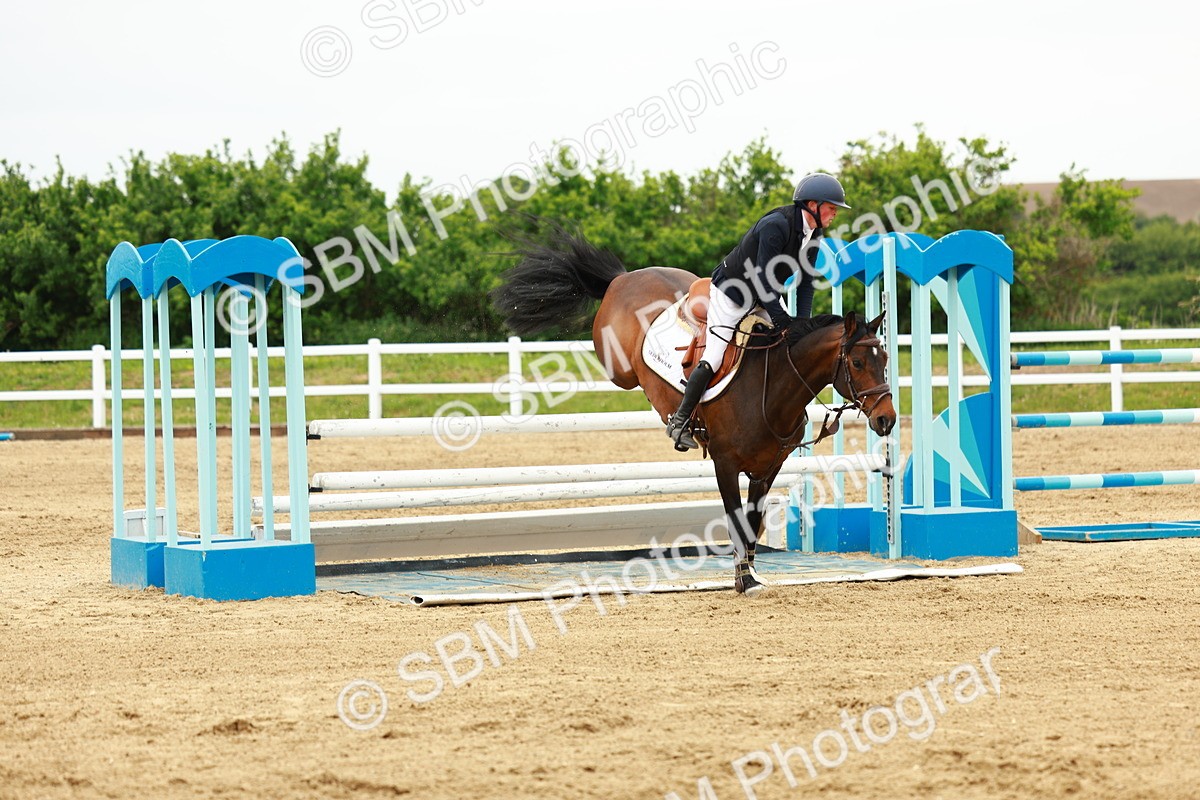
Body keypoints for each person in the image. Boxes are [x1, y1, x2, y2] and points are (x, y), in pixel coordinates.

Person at [665, 172, 850, 451]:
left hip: (765, 295)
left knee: (790, 348)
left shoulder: (814, 234)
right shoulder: (775, 226)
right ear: (812, 205)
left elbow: (807, 282)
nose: (835, 213)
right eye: (832, 207)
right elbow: (762, 279)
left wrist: (800, 324)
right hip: (732, 294)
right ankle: (680, 420)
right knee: (714, 357)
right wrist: (782, 321)